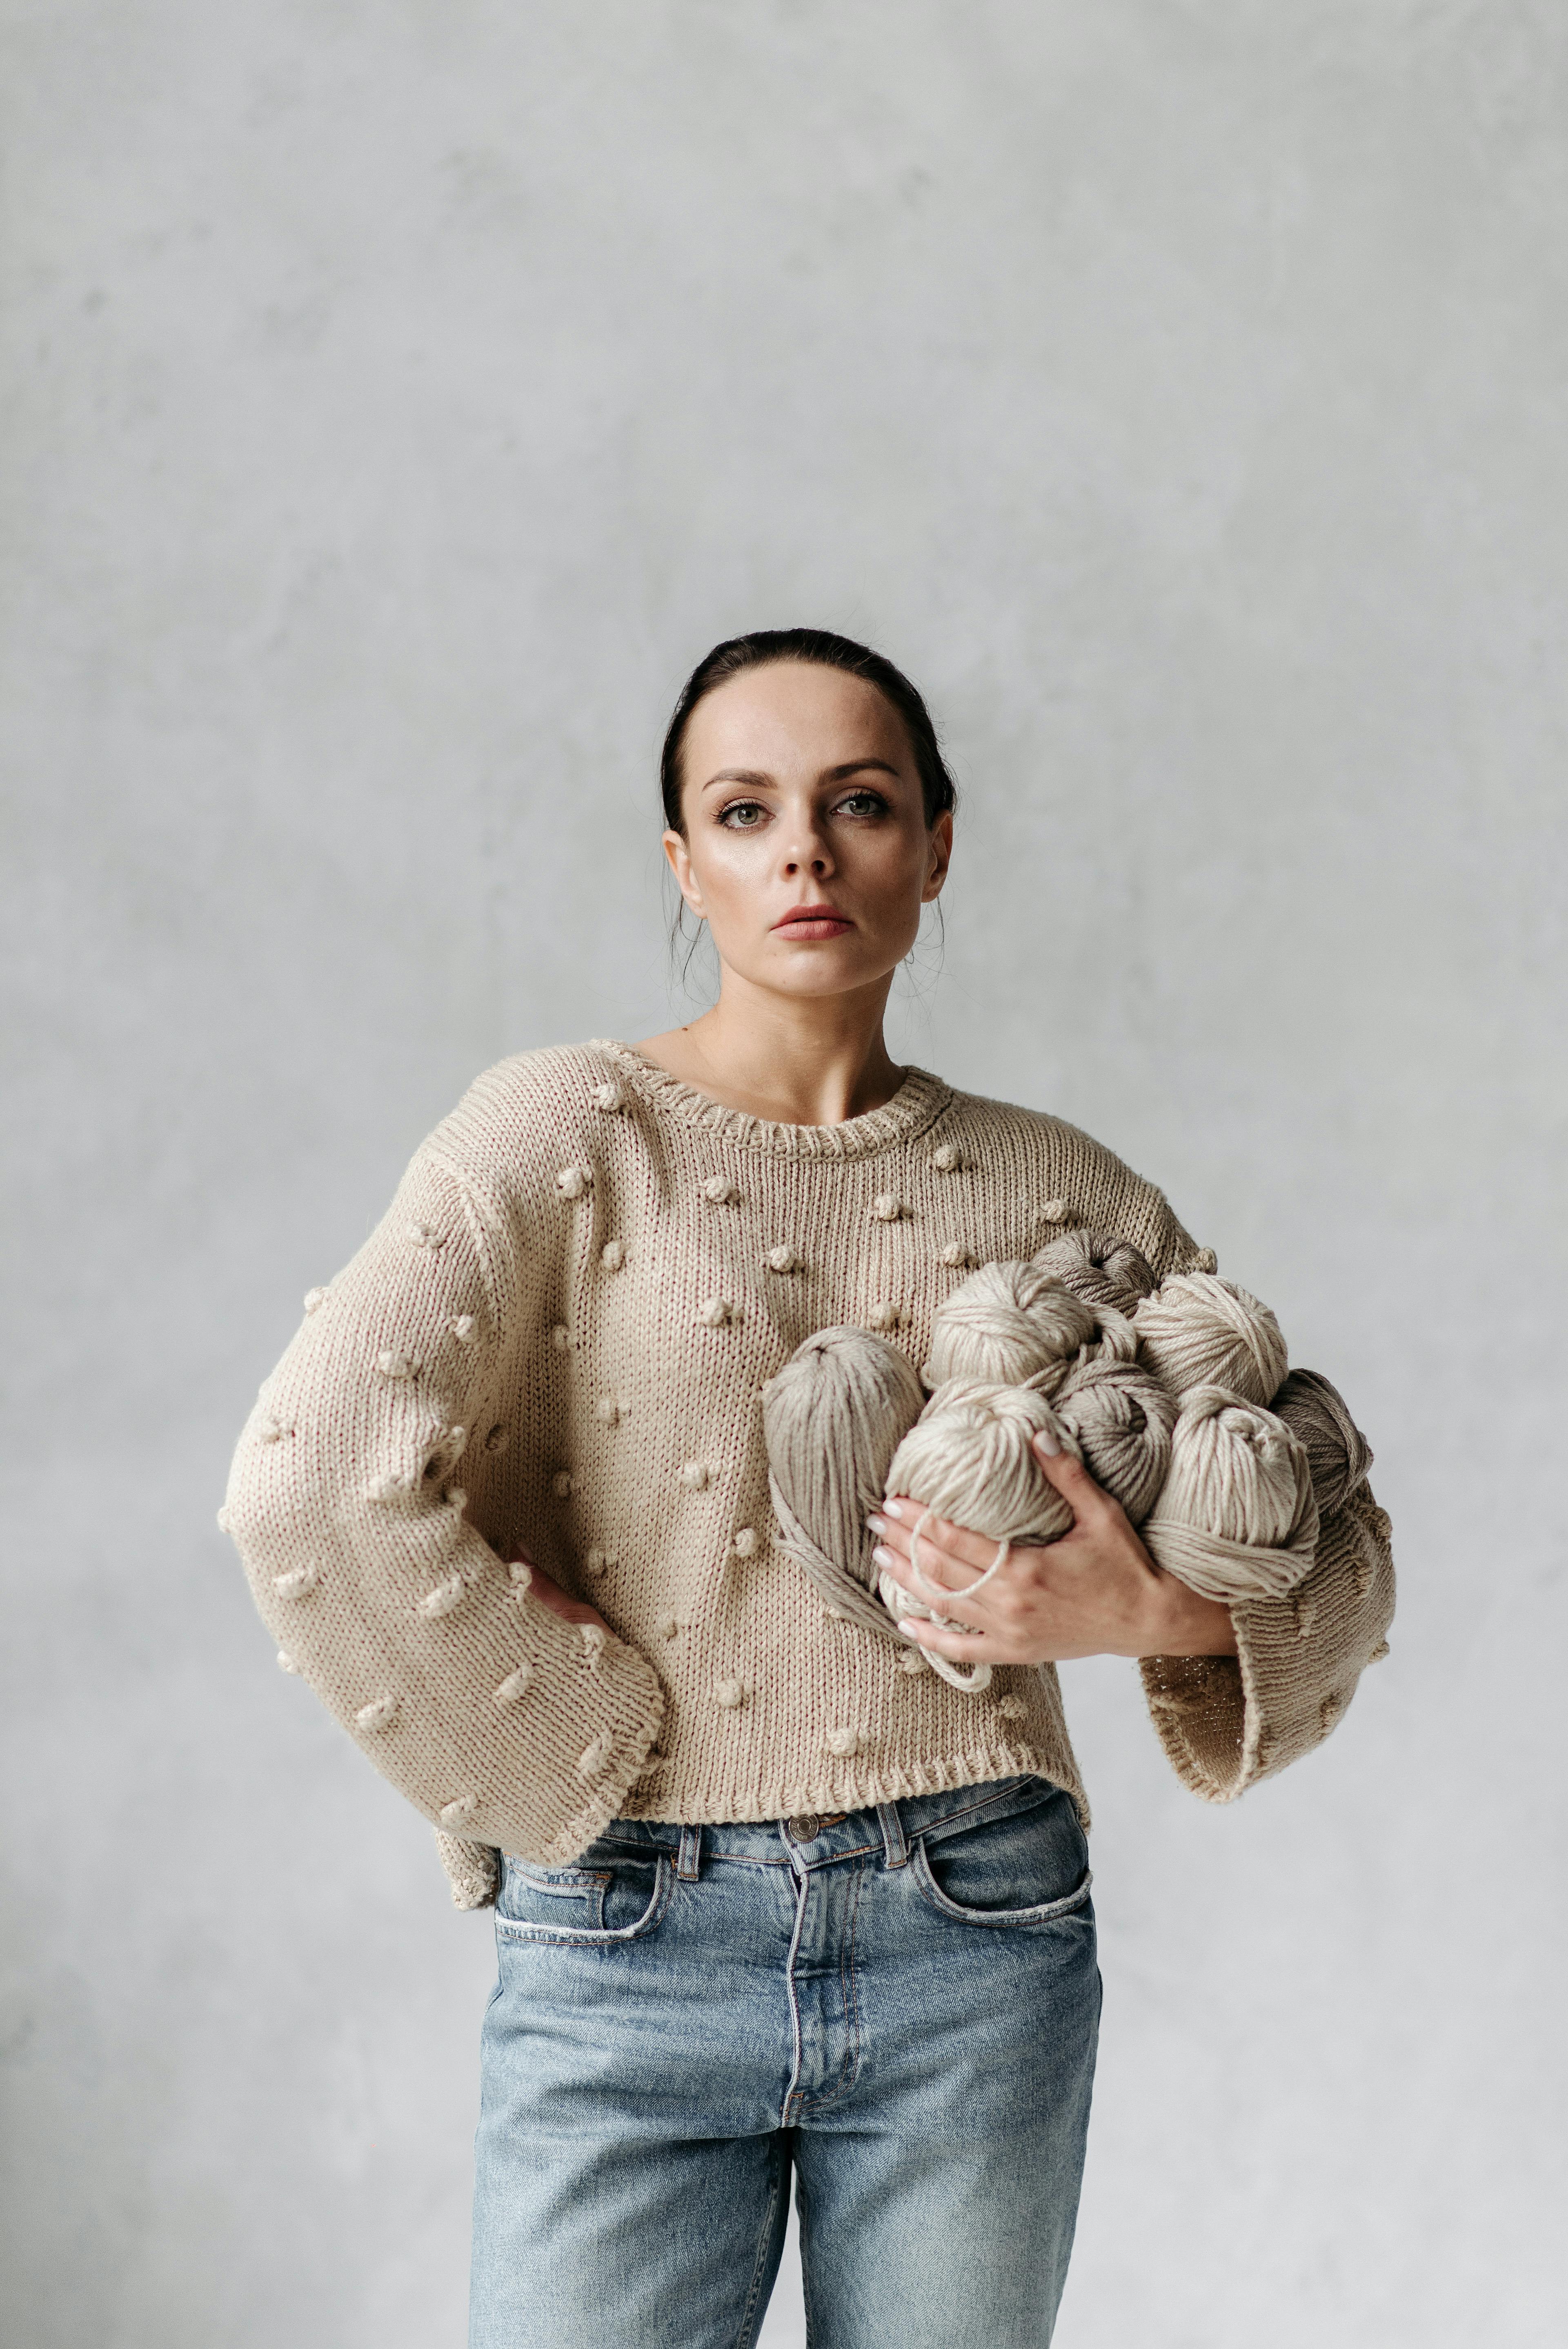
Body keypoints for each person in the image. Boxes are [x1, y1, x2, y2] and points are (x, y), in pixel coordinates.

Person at [223, 629, 1395, 2349]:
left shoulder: (1053, 1182)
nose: (805, 850)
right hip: (624, 1927)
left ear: (935, 842)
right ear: (683, 864)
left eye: (859, 802)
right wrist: (559, 1744)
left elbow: (1336, 1527)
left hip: (973, 1930)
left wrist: (1152, 1607)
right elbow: (302, 1483)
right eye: (745, 807)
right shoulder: (561, 1128)